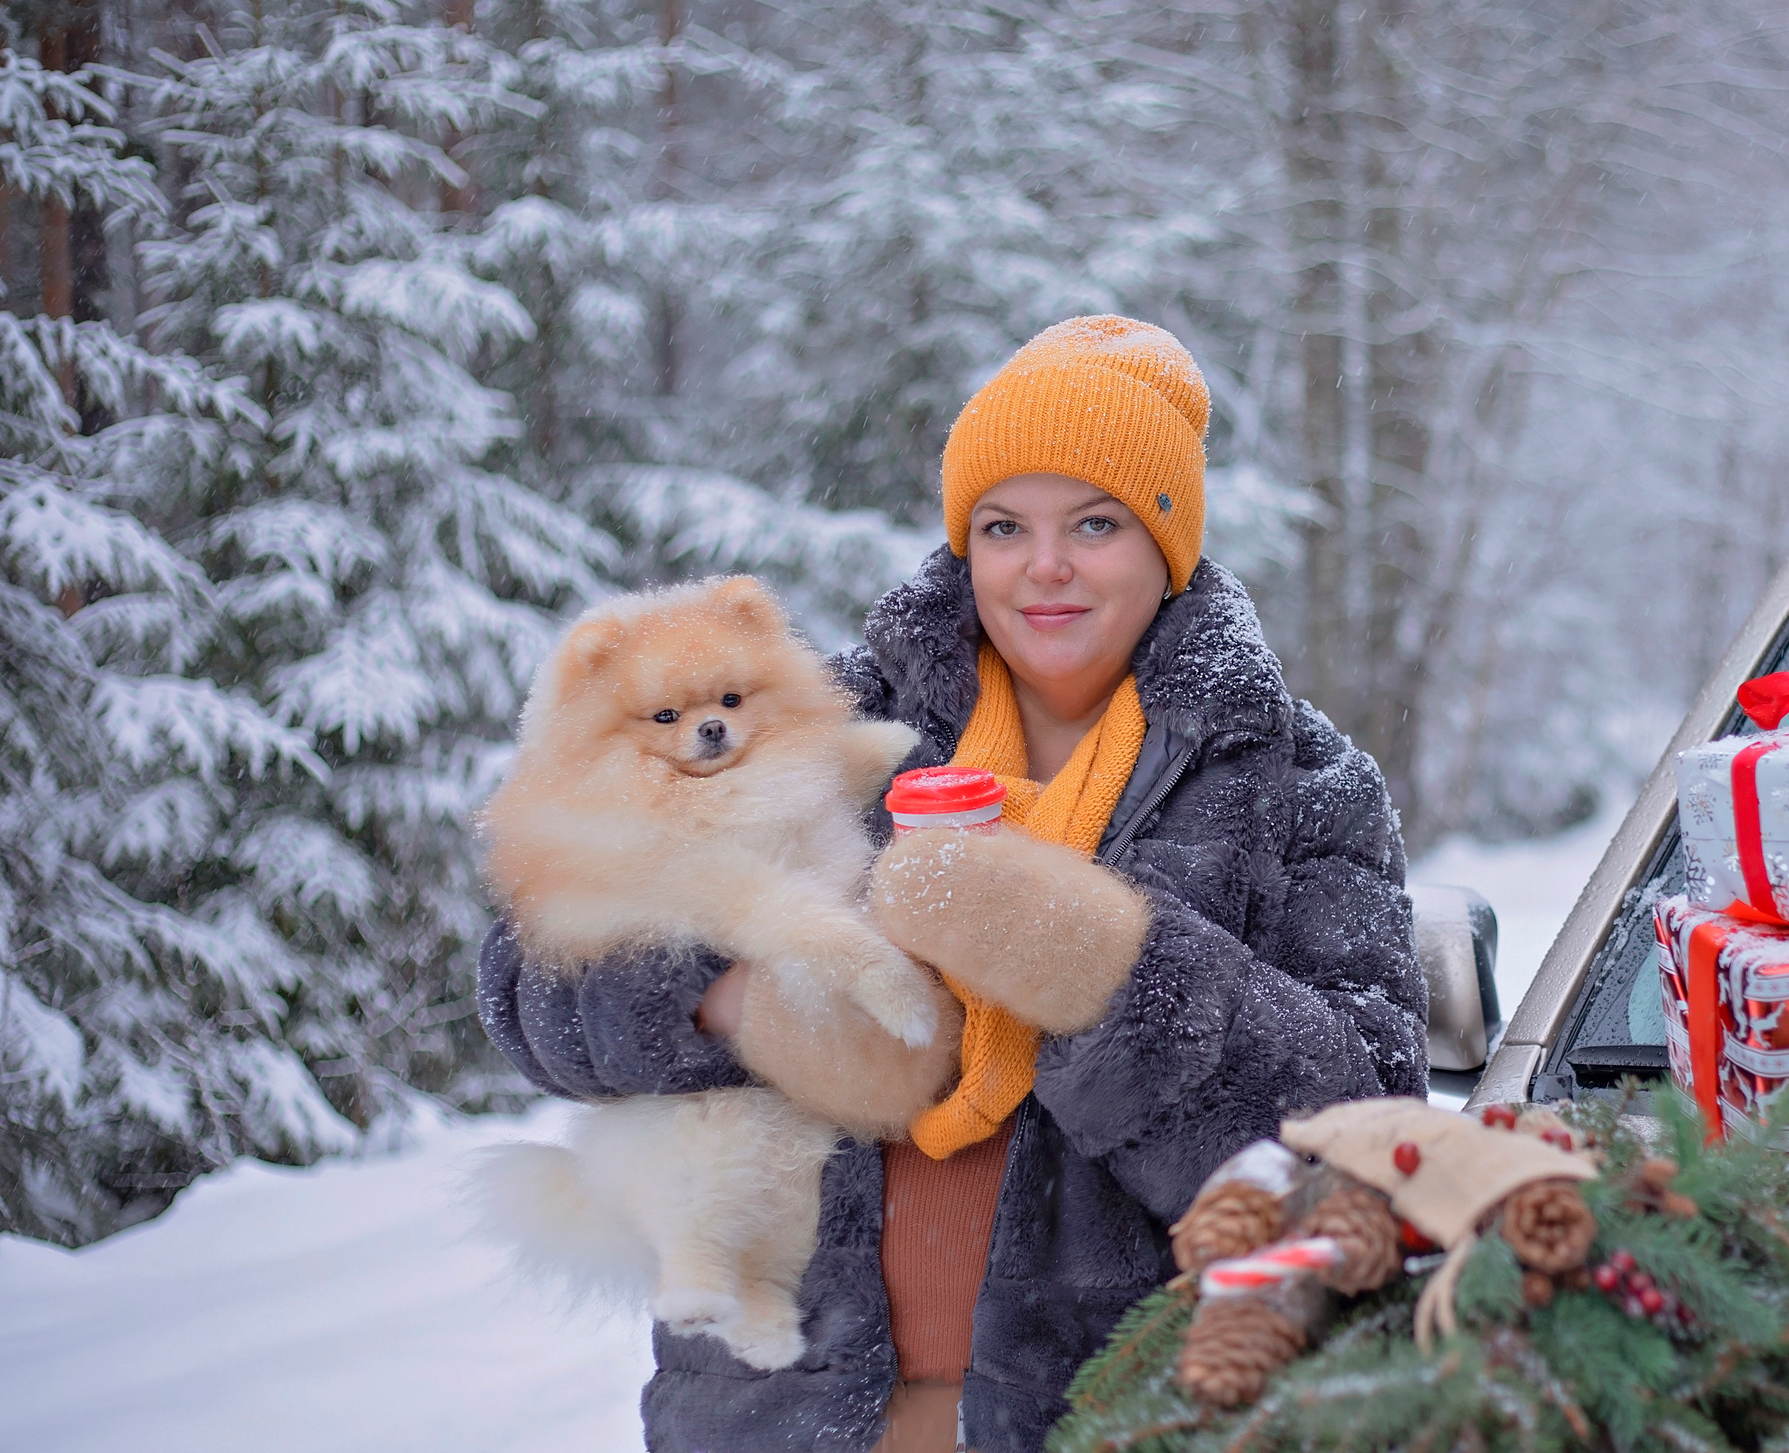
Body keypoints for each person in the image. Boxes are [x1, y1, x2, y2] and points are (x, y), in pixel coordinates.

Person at [475, 316, 1428, 1452]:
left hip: (1117, 1413)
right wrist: (721, 997)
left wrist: (1095, 966)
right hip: (785, 1403)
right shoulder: (812, 719)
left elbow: (1361, 1152)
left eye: (1096, 523)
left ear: (1166, 540)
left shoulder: (1295, 781)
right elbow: (529, 976)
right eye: (1002, 525)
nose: (1046, 566)